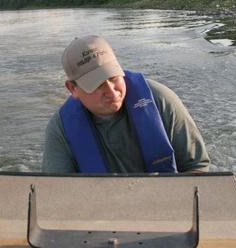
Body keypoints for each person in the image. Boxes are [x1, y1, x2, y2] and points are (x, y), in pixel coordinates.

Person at [42, 34, 210, 173]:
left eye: (113, 77)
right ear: (72, 89)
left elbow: (196, 168)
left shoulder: (161, 99)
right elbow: (56, 192)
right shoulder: (60, 128)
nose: (112, 91)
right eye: (97, 84)